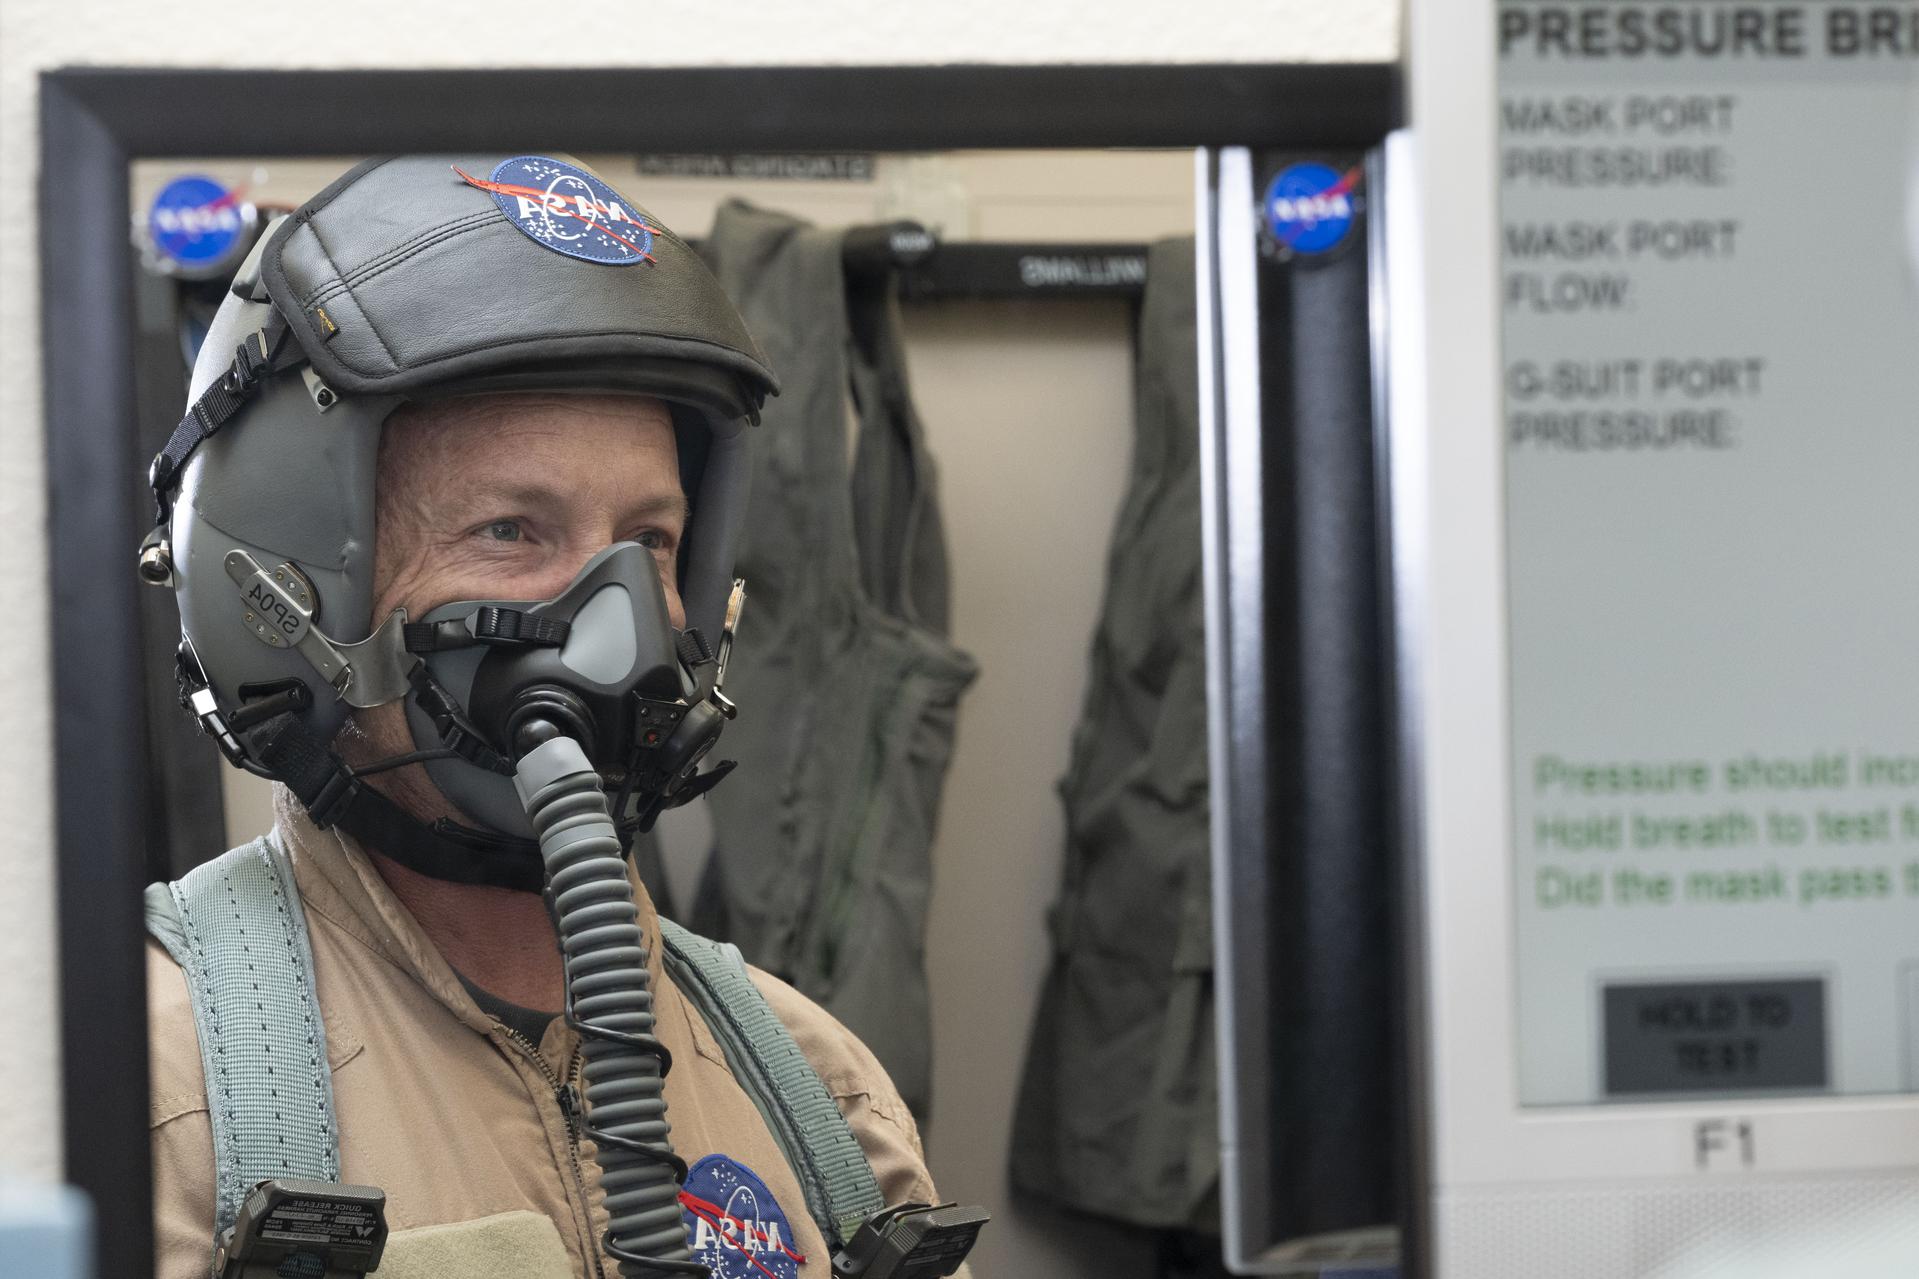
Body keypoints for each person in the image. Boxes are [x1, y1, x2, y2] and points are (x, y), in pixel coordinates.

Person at [141, 155, 975, 1279]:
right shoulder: (151, 1090)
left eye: (655, 543)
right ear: (292, 592)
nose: (622, 625)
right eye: (511, 532)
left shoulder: (814, 1083)